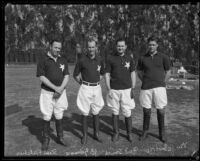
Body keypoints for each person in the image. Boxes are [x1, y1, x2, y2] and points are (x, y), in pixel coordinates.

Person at [36, 36, 70, 151]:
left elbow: (66, 75)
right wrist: (55, 88)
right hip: (47, 93)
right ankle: (46, 140)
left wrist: (60, 89)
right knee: (47, 116)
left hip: (61, 92)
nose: (57, 50)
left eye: (59, 48)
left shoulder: (63, 60)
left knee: (59, 114)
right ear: (50, 47)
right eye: (55, 47)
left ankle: (60, 137)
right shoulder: (43, 59)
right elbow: (41, 76)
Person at [137, 35, 171, 143]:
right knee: (146, 110)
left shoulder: (163, 57)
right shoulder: (142, 58)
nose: (151, 46)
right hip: (146, 88)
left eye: (153, 44)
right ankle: (145, 132)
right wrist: (145, 81)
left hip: (159, 88)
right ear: (148, 45)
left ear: (157, 45)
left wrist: (162, 82)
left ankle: (162, 133)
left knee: (161, 110)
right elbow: (139, 72)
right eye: (150, 44)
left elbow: (168, 72)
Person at [73, 39, 105, 145]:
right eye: (89, 47)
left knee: (96, 111)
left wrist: (96, 81)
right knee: (84, 112)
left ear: (96, 47)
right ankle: (85, 135)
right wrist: (82, 83)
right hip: (85, 88)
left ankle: (96, 134)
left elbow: (102, 73)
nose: (91, 49)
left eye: (93, 47)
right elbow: (75, 75)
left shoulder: (100, 59)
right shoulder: (82, 60)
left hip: (97, 88)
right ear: (87, 48)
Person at [105, 38, 136, 143]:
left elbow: (132, 72)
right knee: (115, 111)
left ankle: (129, 133)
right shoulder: (110, 58)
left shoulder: (130, 58)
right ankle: (116, 133)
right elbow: (107, 74)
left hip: (127, 89)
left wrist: (133, 86)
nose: (120, 48)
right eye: (118, 46)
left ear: (125, 47)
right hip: (114, 89)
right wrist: (108, 88)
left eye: (122, 46)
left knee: (127, 112)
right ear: (116, 46)